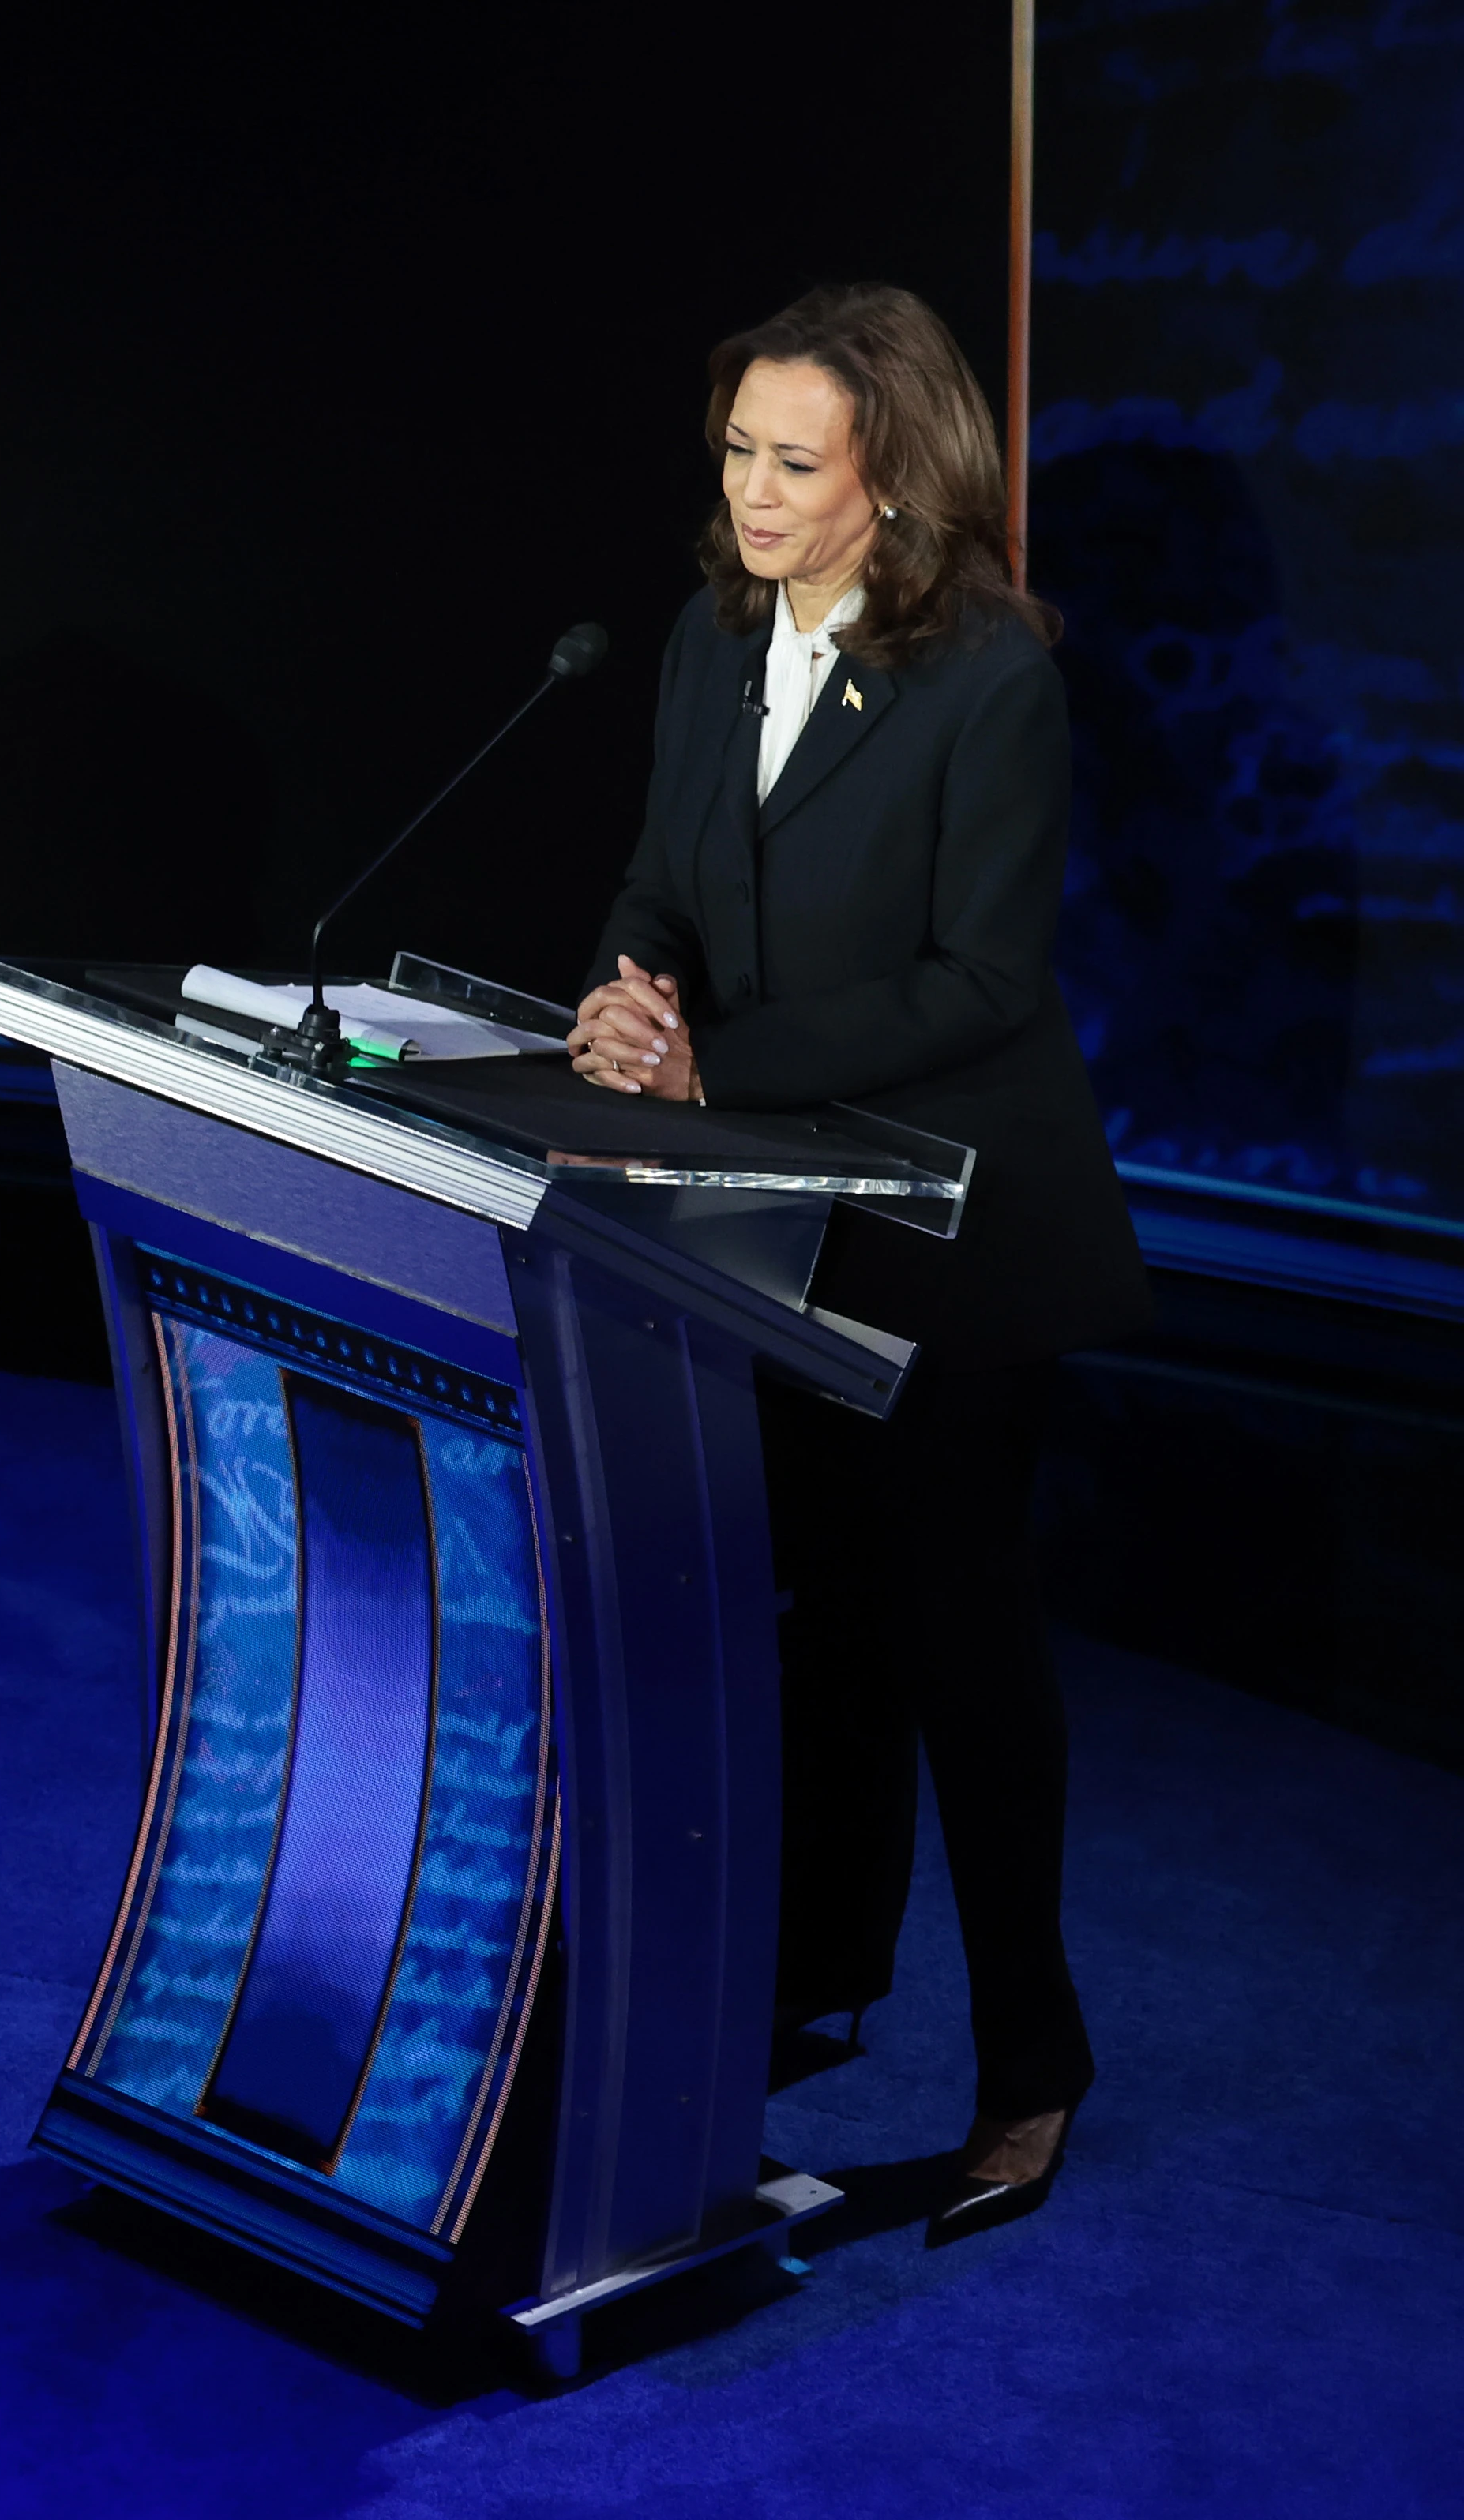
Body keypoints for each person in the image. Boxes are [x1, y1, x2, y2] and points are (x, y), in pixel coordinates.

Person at [569, 282, 1149, 2245]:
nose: (745, 488)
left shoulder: (988, 671)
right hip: (763, 1219)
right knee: (806, 1622)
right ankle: (803, 1987)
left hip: (955, 1239)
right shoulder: (707, 634)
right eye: (732, 448)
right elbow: (664, 871)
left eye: (787, 460)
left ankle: (1030, 2068)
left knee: (957, 1650)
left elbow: (978, 977)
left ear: (889, 479)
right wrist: (623, 993)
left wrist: (715, 1054)